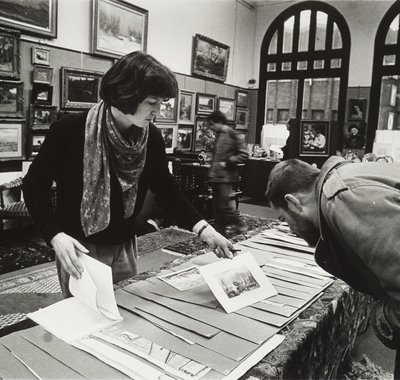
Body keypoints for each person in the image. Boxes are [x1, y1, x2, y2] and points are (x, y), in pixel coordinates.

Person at [22, 51, 234, 297]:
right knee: (84, 324)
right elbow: (34, 186)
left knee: (125, 319)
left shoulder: (150, 136)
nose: (159, 111)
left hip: (125, 246)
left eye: (162, 103)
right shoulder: (70, 130)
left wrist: (205, 229)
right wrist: (55, 235)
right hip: (80, 248)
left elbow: (166, 189)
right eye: (152, 102)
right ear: (127, 95)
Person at [266, 156, 400, 376]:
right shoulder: (344, 180)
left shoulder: (344, 199)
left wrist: (384, 316)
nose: (290, 230)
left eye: (283, 219)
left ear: (293, 202)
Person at [207, 110, 248, 235]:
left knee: (222, 206)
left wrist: (228, 161)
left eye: (212, 125)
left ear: (219, 122)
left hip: (226, 176)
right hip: (216, 176)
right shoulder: (219, 135)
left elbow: (244, 154)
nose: (211, 128)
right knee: (217, 207)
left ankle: (240, 224)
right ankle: (220, 231)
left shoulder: (232, 134)